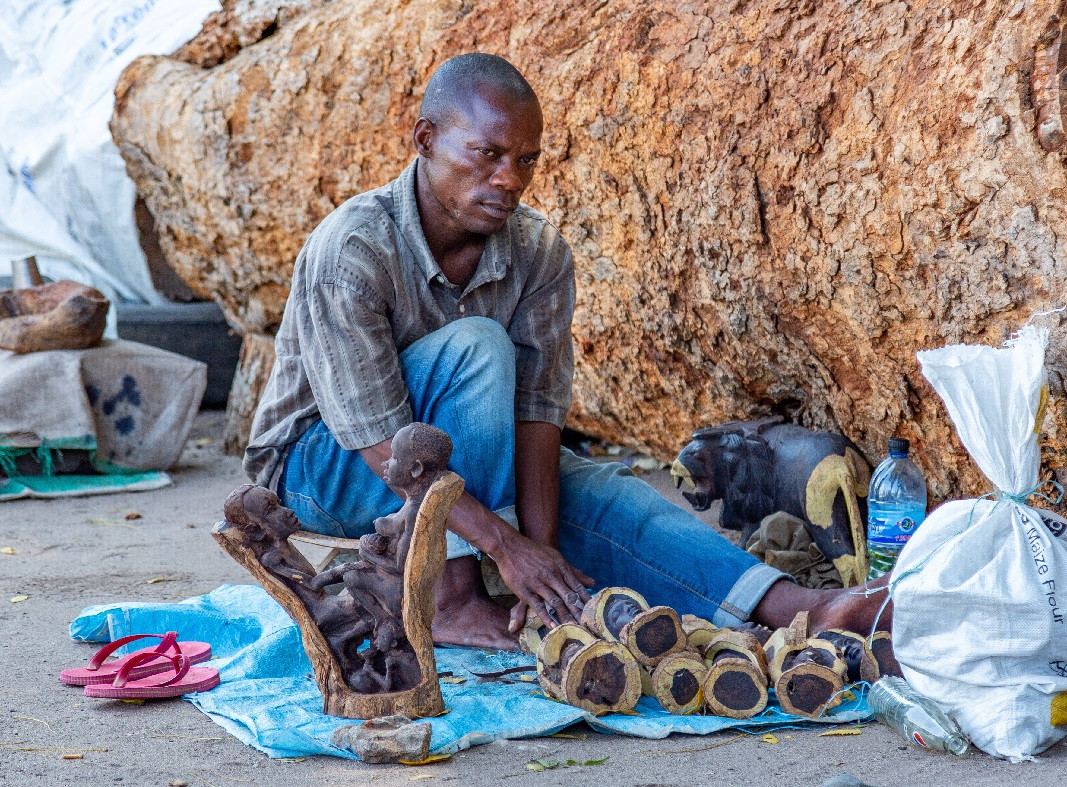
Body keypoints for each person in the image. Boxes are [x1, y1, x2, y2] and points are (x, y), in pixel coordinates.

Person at [244, 53, 889, 650]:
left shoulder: (537, 251)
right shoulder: (353, 249)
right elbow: (380, 440)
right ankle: (450, 598)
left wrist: (540, 551)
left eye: (526, 160)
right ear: (425, 140)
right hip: (321, 465)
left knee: (600, 495)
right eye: (487, 154)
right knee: (478, 347)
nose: (508, 179)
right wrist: (506, 548)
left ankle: (793, 607)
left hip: (457, 467)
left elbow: (536, 418)